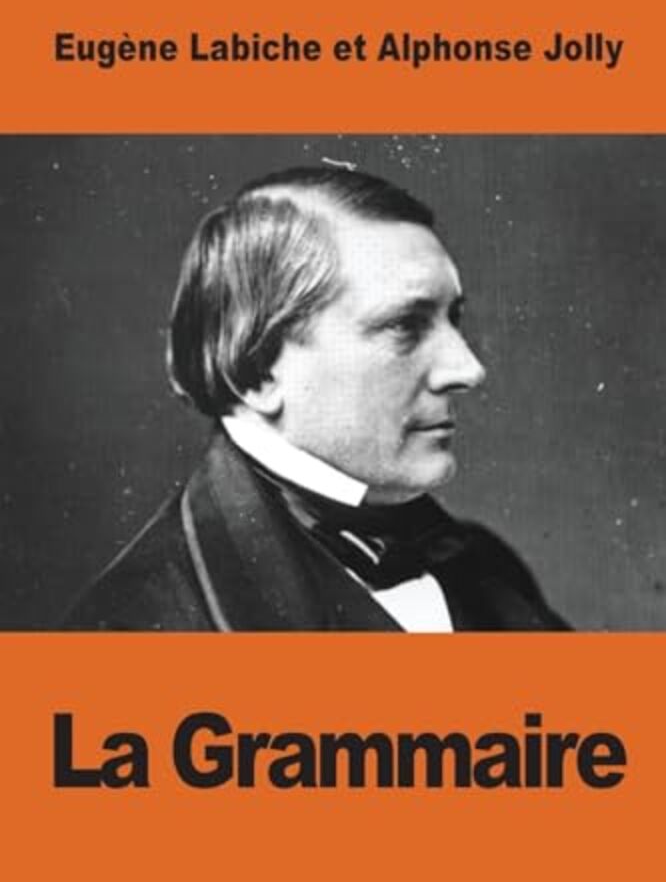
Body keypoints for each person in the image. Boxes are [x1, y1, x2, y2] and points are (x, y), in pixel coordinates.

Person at [64, 166, 568, 631]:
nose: (469, 369)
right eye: (404, 325)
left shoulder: (487, 567)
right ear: (260, 372)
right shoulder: (132, 626)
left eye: (452, 318)